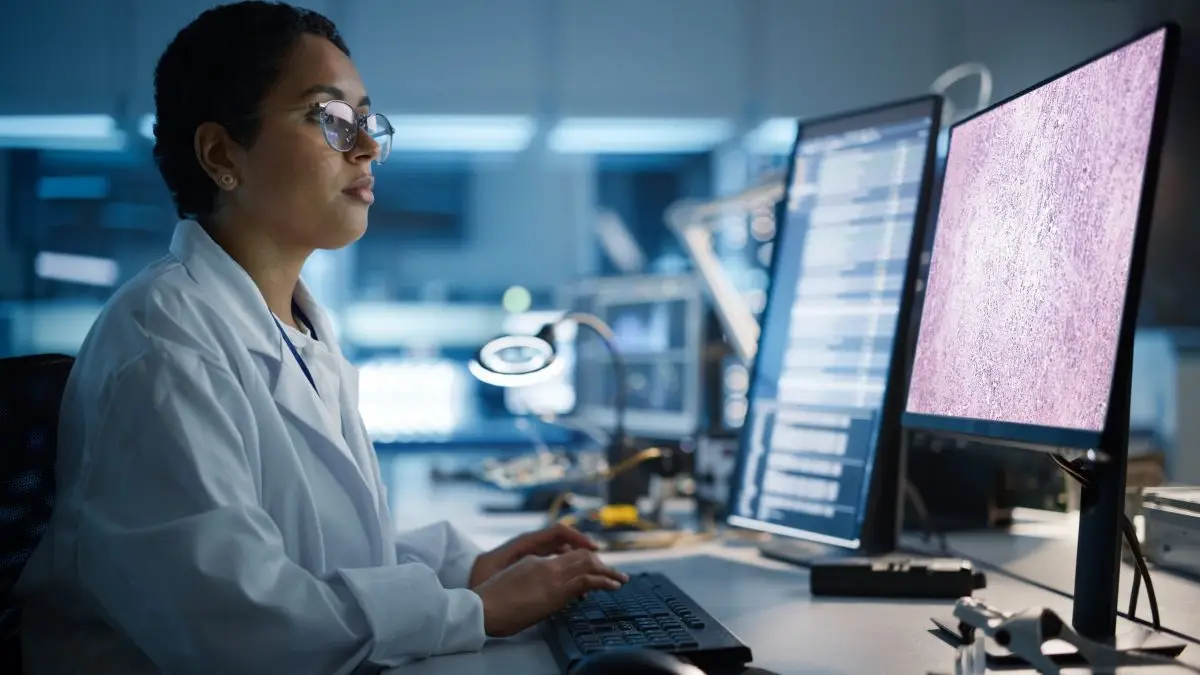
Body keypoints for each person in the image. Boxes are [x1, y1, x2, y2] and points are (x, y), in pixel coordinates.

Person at [14, 3, 627, 674]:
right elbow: (239, 627)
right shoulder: (162, 347)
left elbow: (321, 564)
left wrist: (465, 568)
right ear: (222, 154)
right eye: (330, 119)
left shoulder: (295, 326)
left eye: (367, 121)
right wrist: (473, 609)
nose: (366, 148)